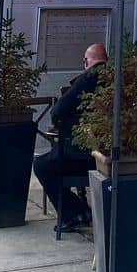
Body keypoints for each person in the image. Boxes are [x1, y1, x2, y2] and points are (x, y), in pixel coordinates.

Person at [33, 43, 107, 232]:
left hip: (84, 155)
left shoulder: (88, 78)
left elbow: (58, 110)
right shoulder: (114, 79)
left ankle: (73, 213)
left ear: (86, 61)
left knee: (42, 166)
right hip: (109, 156)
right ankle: (79, 210)